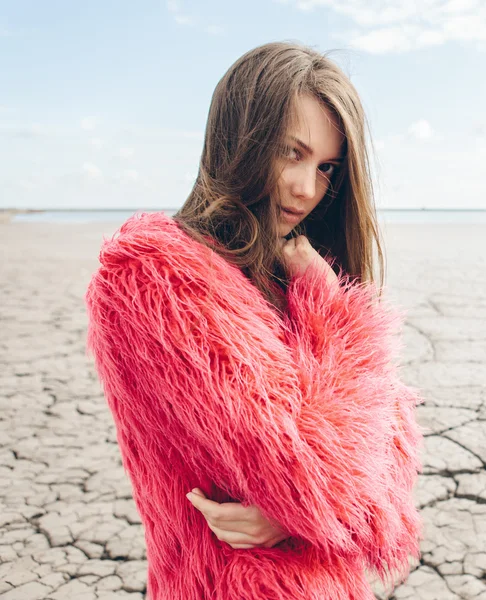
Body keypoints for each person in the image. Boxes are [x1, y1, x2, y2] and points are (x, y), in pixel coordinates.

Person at [85, 41, 422, 600]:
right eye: (292, 153)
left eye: (327, 167)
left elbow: (392, 460)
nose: (307, 188)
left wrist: (296, 515)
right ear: (239, 138)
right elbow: (308, 475)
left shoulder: (291, 273)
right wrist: (340, 316)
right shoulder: (153, 279)